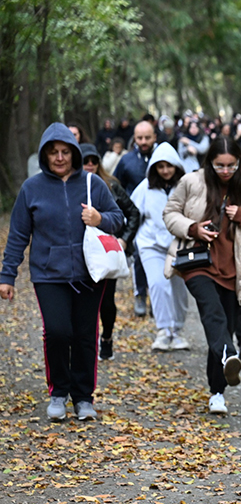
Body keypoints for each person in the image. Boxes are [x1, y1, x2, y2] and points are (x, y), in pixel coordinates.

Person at [0, 123, 124, 421]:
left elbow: (118, 219)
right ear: (44, 155)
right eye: (53, 152)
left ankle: (83, 397)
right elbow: (18, 234)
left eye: (65, 152)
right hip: (48, 274)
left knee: (84, 334)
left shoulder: (94, 184)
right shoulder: (32, 188)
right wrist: (7, 276)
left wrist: (99, 218)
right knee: (57, 331)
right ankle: (58, 392)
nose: (59, 157)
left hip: (89, 273)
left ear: (75, 153)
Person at [162, 135, 241, 415]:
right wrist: (193, 228)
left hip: (233, 269)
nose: (225, 171)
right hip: (196, 262)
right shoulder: (191, 182)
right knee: (212, 313)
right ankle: (229, 354)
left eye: (231, 166)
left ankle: (216, 392)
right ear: (210, 162)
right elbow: (170, 214)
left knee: (222, 330)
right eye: (220, 165)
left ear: (239, 163)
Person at [80, 144, 141, 361]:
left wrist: (124, 240)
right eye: (85, 161)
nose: (89, 165)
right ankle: (85, 342)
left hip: (106, 250)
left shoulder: (111, 186)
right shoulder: (68, 188)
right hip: (79, 252)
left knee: (106, 301)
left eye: (93, 161)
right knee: (82, 301)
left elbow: (133, 212)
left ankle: (106, 338)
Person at [130, 142, 191, 353]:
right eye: (160, 166)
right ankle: (164, 331)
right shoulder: (144, 188)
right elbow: (133, 214)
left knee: (179, 290)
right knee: (157, 284)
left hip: (179, 247)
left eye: (169, 166)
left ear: (177, 166)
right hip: (151, 245)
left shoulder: (185, 186)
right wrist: (130, 240)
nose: (165, 171)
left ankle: (178, 331)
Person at [114, 120, 158, 317]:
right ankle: (140, 294)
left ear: (154, 137)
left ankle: (158, 300)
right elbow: (117, 186)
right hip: (136, 217)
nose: (143, 141)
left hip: (159, 215)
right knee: (139, 255)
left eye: (147, 137)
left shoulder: (162, 157)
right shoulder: (126, 161)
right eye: (139, 138)